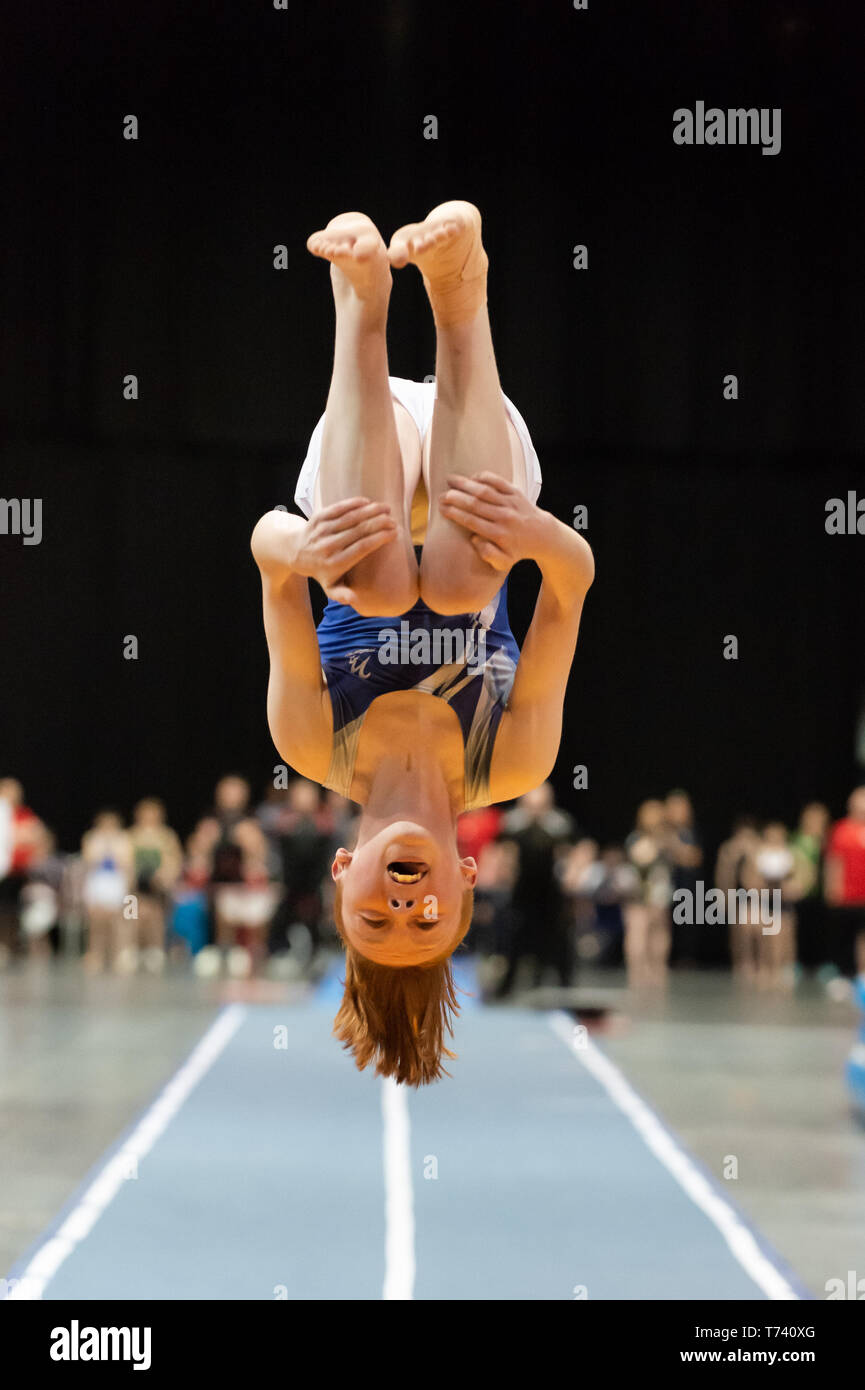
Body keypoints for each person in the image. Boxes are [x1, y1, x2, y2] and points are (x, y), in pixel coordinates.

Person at [251, 202, 594, 1083]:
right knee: (458, 581)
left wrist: (302, 548)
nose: (405, 904)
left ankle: (360, 302)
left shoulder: (310, 742)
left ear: (340, 872)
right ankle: (458, 295)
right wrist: (537, 533)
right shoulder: (510, 758)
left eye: (376, 921)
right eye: (427, 919)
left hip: (356, 455)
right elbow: (571, 585)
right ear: (469, 879)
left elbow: (265, 547)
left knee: (368, 578)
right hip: (475, 450)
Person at [128, 798, 183, 973]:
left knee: (155, 912)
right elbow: (125, 860)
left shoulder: (167, 836)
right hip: (135, 888)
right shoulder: (131, 835)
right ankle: (133, 948)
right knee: (134, 912)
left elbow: (175, 860)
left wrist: (164, 875)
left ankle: (154, 949)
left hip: (158, 888)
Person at [624, 799, 673, 988]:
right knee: (638, 929)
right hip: (638, 890)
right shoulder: (636, 838)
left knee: (659, 928)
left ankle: (658, 967)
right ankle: (637, 970)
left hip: (659, 889)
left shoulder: (667, 838)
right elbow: (641, 858)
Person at [80, 811, 134, 973]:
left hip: (118, 883)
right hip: (97, 883)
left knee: (121, 921)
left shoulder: (124, 839)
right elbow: (88, 860)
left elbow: (128, 863)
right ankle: (95, 953)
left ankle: (120, 953)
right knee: (96, 921)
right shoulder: (91, 838)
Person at [824, 788, 865, 978]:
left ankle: (862, 975)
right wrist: (832, 886)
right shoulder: (841, 830)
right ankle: (845, 975)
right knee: (845, 936)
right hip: (847, 894)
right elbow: (834, 861)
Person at [789, 803, 830, 971]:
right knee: (800, 928)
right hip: (799, 892)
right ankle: (798, 962)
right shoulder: (796, 839)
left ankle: (824, 962)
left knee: (823, 929)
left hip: (823, 892)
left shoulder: (827, 839)